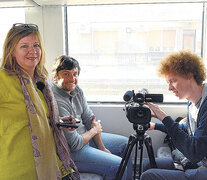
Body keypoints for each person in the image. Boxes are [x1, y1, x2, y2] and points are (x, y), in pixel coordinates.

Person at [0, 23, 80, 180]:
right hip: (15, 168)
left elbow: (38, 119)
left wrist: (59, 122)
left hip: (47, 164)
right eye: (24, 46)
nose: (33, 51)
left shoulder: (41, 83)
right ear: (12, 51)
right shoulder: (3, 79)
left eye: (36, 45)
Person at [51, 55, 133, 180]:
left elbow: (90, 119)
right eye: (66, 74)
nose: (72, 78)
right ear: (55, 77)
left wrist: (102, 147)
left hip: (86, 139)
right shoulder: (57, 99)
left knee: (127, 144)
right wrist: (94, 131)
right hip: (72, 152)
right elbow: (75, 144)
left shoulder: (77, 90)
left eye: (75, 74)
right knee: (118, 165)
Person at [140, 50, 207, 180]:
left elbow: (194, 152)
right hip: (201, 160)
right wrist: (157, 126)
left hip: (201, 163)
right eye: (168, 83)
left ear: (189, 75)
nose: (170, 88)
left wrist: (166, 119)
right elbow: (188, 130)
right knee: (147, 164)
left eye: (173, 81)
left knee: (148, 176)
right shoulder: (193, 102)